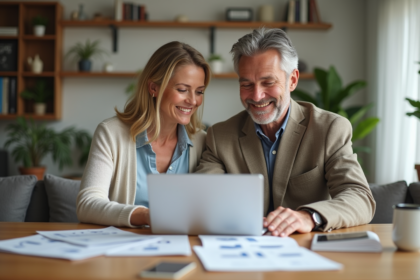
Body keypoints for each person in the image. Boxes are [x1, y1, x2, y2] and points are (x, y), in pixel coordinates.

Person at [195, 28, 376, 237]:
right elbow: (201, 198)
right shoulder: (220, 136)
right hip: (243, 251)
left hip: (306, 252)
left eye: (268, 82)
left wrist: (309, 216)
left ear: (292, 80)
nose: (256, 95)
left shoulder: (329, 129)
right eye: (246, 84)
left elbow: (360, 197)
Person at [77, 41, 210, 227]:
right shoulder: (110, 133)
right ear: (153, 88)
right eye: (182, 90)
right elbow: (87, 204)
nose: (193, 101)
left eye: (199, 91)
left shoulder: (203, 141)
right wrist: (145, 215)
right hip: (125, 250)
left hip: (183, 247)